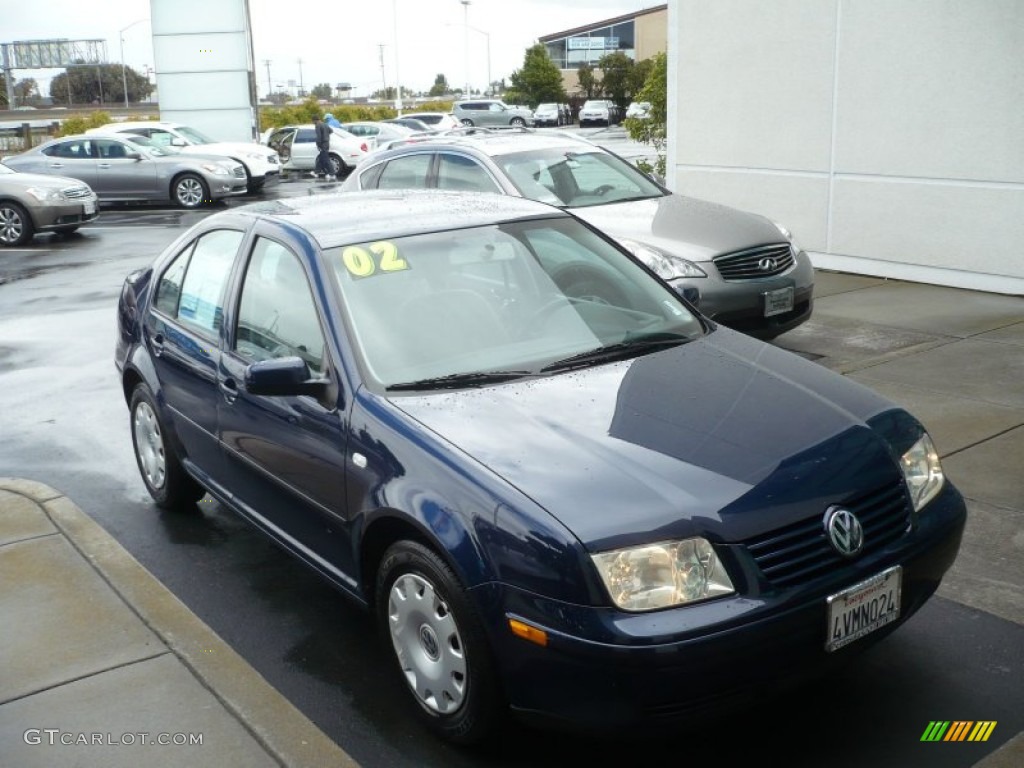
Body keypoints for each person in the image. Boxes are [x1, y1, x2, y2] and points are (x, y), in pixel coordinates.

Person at [312, 115, 334, 180]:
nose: (313, 123)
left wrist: (318, 144)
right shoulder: (325, 124)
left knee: (326, 159)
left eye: (313, 121)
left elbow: (319, 136)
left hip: (322, 144)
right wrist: (326, 135)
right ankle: (316, 172)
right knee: (321, 158)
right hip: (327, 143)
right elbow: (331, 131)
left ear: (315, 120)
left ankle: (332, 173)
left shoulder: (318, 125)